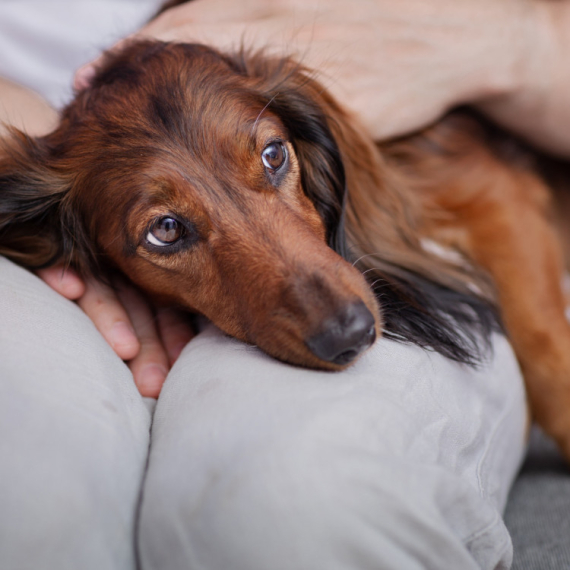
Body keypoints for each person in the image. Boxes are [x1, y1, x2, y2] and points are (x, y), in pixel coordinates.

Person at [0, 0, 566, 568]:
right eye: (168, 229)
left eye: (272, 158)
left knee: (291, 503)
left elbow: (492, 201)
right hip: (39, 157)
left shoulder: (293, 107)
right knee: (33, 501)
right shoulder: (55, 203)